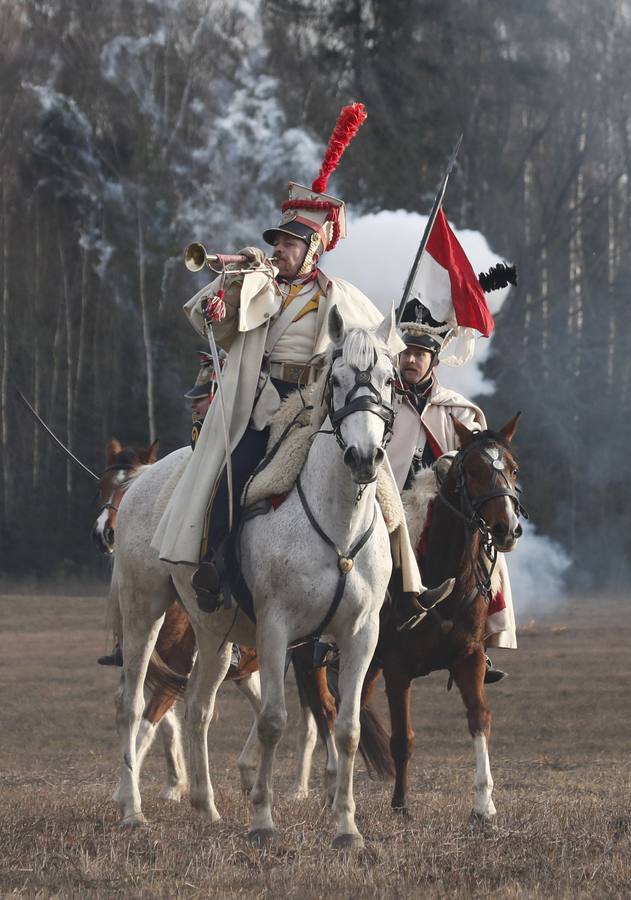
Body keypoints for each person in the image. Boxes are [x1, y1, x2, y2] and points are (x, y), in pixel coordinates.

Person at [151, 103, 433, 615]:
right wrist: (224, 295)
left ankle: (402, 587)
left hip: (320, 405)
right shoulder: (259, 285)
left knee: (381, 487)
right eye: (278, 240)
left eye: (288, 242)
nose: (279, 248)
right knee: (232, 473)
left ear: (313, 249)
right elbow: (219, 316)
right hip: (264, 404)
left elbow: (377, 349)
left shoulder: (342, 294)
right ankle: (214, 563)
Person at [386, 300, 517, 678]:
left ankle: (480, 641)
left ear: (434, 361)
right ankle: (338, 637)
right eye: (405, 352)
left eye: (419, 354)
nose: (410, 360)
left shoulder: (459, 410)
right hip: (389, 498)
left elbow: (477, 460)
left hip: (445, 502)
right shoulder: (380, 401)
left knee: (490, 553)